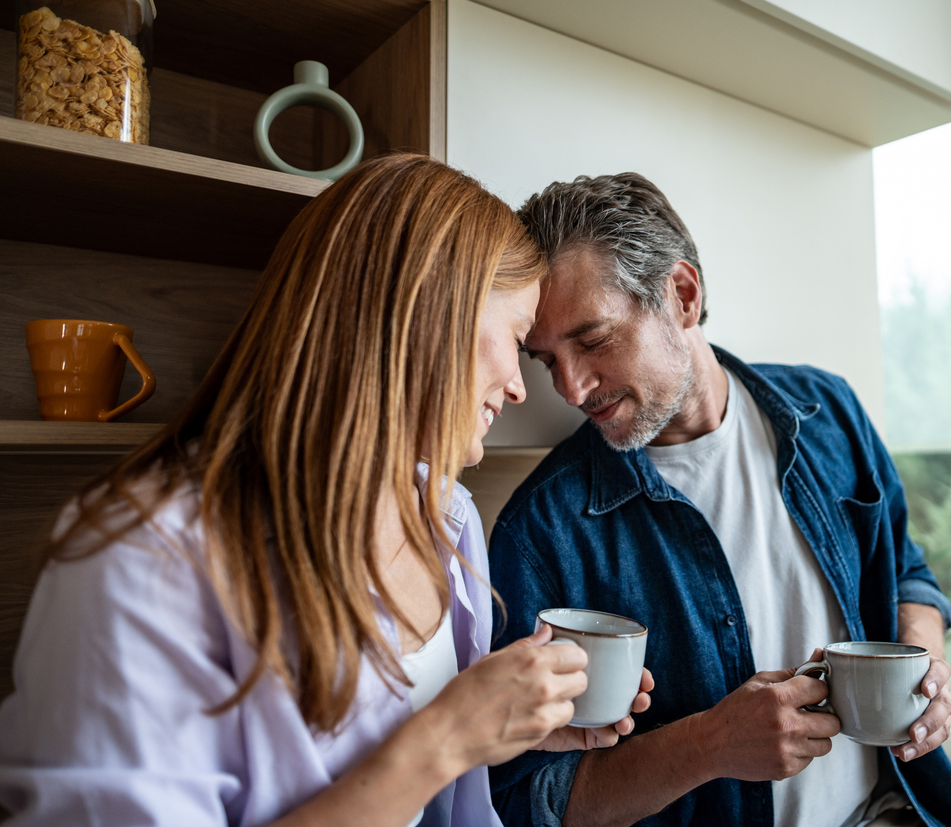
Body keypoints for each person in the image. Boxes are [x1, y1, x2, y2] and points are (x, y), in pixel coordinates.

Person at [0, 155, 649, 827]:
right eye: (518, 341)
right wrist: (446, 738)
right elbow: (421, 751)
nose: (520, 388)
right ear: (421, 313)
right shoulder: (142, 560)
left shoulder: (445, 520)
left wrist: (501, 729)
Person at [488, 173, 951, 827]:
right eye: (545, 361)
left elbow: (906, 571)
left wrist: (924, 664)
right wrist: (706, 745)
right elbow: (526, 802)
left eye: (593, 340)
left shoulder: (829, 411)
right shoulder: (541, 529)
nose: (570, 388)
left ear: (681, 295)